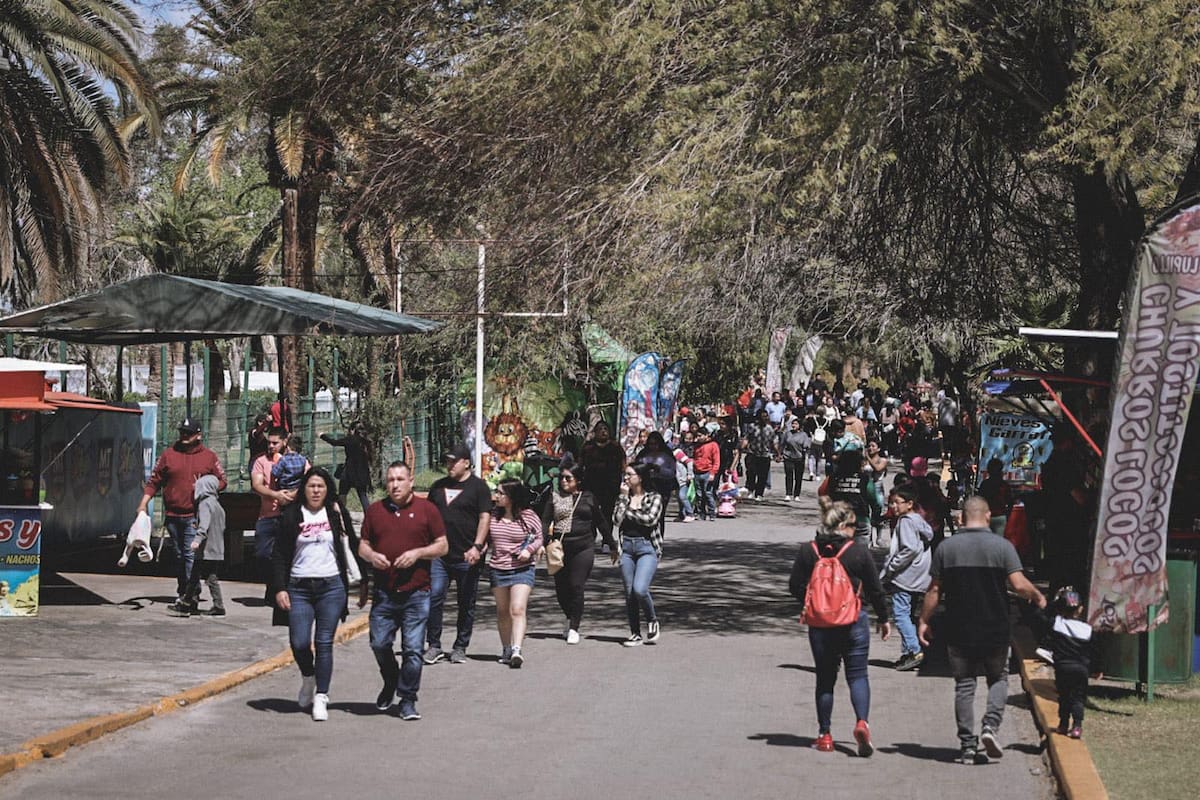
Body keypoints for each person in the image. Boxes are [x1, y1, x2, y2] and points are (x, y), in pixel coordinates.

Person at [918, 495, 1046, 765]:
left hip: (959, 629)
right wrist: (1037, 596)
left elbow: (935, 590)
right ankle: (990, 726)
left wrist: (924, 620)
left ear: (962, 518)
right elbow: (1019, 584)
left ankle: (967, 746)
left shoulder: (947, 548)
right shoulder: (1002, 547)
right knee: (997, 679)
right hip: (995, 627)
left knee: (964, 685)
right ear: (988, 516)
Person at [788, 500, 891, 756]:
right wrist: (884, 618)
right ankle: (861, 723)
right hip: (853, 620)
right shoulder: (857, 552)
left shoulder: (808, 551)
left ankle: (824, 735)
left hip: (820, 625)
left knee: (825, 679)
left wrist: (813, 603)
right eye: (854, 525)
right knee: (857, 675)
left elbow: (794, 585)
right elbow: (875, 589)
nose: (856, 530)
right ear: (843, 525)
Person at [359, 461, 449, 721]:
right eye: (390, 480)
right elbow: (362, 545)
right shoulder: (375, 511)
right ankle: (391, 680)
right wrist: (372, 556)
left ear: (411, 481)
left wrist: (418, 553)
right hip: (385, 593)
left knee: (412, 650)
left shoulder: (427, 510)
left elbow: (442, 546)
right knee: (379, 643)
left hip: (416, 593)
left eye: (399, 479)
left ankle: (408, 699)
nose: (395, 485)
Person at [271, 467, 359, 722]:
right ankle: (308, 678)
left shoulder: (335, 512)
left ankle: (322, 695)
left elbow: (351, 543)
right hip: (299, 587)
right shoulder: (291, 515)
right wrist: (280, 588)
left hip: (331, 587)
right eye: (311, 486)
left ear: (327, 489)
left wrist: (362, 583)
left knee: (323, 643)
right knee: (299, 642)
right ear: (304, 489)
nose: (316, 491)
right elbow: (278, 555)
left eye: (321, 486)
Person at [138, 418, 227, 611]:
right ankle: (183, 592)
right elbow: (154, 482)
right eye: (182, 432)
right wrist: (143, 504)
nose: (184, 436)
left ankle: (190, 597)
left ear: (198, 435)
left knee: (189, 555)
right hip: (172, 515)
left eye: (189, 433)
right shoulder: (169, 455)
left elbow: (222, 481)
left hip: (194, 517)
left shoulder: (209, 457)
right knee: (179, 556)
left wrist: (206, 490)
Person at [424, 443, 492, 665]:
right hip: (440, 556)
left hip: (467, 556)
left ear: (466, 462)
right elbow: (428, 516)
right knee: (434, 597)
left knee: (466, 602)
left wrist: (478, 546)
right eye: (448, 461)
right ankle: (433, 645)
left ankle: (460, 646)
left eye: (454, 461)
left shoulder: (479, 487)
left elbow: (484, 518)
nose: (450, 465)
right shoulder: (438, 487)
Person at [541, 464, 616, 644]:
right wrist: (541, 543)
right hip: (559, 549)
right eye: (562, 478)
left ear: (578, 481)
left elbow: (601, 522)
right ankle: (569, 616)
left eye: (568, 478)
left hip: (583, 547)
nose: (564, 481)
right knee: (561, 589)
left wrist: (612, 544)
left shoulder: (588, 498)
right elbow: (545, 522)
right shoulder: (555, 498)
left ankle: (574, 626)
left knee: (576, 585)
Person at [480, 478, 543, 667]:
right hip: (498, 568)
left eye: (501, 493)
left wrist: (529, 550)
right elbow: (485, 539)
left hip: (522, 569)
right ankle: (506, 647)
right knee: (502, 611)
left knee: (517, 609)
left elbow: (539, 537)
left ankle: (517, 649)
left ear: (512, 496)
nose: (496, 496)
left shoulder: (528, 515)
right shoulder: (493, 516)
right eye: (496, 492)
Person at [879, 485, 933, 671]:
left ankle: (914, 650)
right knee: (907, 615)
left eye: (896, 502)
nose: (893, 506)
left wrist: (891, 568)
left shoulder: (906, 522)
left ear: (910, 504)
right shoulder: (918, 520)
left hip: (906, 576)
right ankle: (908, 653)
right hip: (919, 576)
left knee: (900, 614)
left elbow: (909, 548)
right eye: (891, 502)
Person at [613, 462, 665, 646]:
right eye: (624, 475)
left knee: (640, 589)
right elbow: (616, 520)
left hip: (647, 548)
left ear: (640, 477)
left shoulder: (654, 497)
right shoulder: (623, 496)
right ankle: (635, 633)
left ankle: (652, 620)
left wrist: (628, 510)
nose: (625, 478)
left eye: (629, 474)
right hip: (626, 547)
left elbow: (649, 519)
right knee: (629, 593)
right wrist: (623, 499)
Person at [251, 428, 306, 590]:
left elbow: (309, 479)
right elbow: (257, 485)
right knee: (263, 553)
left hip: (290, 514)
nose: (271, 446)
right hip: (268, 515)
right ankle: (273, 584)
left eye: (275, 443)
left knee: (291, 553)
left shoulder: (297, 459)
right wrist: (276, 495)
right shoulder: (261, 461)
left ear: (284, 442)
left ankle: (284, 588)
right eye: (269, 443)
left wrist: (292, 495)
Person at [1044, 587, 1096, 739]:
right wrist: (1096, 668)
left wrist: (1054, 606)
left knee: (1064, 695)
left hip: (1062, 668)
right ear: (1080, 609)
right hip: (1081, 669)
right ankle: (1077, 726)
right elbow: (1095, 650)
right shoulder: (1087, 630)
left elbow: (1045, 616)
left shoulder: (1056, 624)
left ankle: (1063, 724)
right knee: (1078, 697)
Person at [176, 475, 227, 617]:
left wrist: (197, 539)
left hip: (206, 549)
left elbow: (204, 525)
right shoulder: (217, 504)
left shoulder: (205, 504)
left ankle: (215, 606)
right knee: (200, 576)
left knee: (205, 577)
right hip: (216, 547)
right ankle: (189, 602)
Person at [580, 421, 626, 525]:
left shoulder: (616, 447)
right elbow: (580, 464)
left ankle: (607, 539)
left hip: (610, 487)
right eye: (600, 429)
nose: (603, 432)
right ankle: (591, 537)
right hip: (591, 485)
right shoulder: (588, 447)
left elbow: (623, 464)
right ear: (595, 432)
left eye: (605, 429)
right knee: (591, 512)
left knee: (607, 513)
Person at [321, 421, 373, 512]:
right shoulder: (366, 442)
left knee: (342, 494)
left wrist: (322, 435)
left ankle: (341, 515)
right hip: (362, 473)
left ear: (352, 430)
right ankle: (369, 518)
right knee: (363, 496)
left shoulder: (350, 439)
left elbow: (334, 442)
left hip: (349, 473)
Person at [633, 431, 677, 534]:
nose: (653, 447)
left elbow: (672, 472)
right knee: (646, 512)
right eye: (651, 444)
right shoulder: (643, 454)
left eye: (655, 444)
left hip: (663, 486)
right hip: (646, 485)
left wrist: (659, 469)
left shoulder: (667, 455)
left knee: (659, 514)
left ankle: (659, 537)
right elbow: (636, 469)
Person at [743, 409, 778, 501]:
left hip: (765, 455)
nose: (765, 418)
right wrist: (742, 447)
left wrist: (777, 453)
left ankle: (759, 494)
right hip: (753, 453)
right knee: (751, 473)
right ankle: (751, 490)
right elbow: (747, 438)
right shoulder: (752, 427)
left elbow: (774, 442)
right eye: (763, 416)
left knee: (762, 476)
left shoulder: (769, 429)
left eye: (766, 416)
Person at [977, 458, 1013, 536]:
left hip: (986, 516)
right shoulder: (1004, 485)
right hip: (1000, 516)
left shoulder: (985, 484)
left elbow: (979, 501)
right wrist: (1007, 514)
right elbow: (1010, 501)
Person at [691, 427, 720, 521]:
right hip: (697, 472)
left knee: (708, 493)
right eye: (697, 436)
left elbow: (716, 460)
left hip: (707, 472)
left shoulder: (713, 445)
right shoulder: (697, 446)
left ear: (706, 435)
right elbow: (695, 457)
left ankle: (712, 513)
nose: (698, 438)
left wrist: (713, 473)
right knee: (699, 495)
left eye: (700, 436)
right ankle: (701, 513)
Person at [779, 416, 809, 501]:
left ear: (800, 425)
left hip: (799, 458)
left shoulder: (804, 435)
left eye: (796, 423)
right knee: (789, 475)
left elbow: (806, 446)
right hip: (788, 456)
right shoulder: (787, 433)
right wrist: (779, 454)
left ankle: (797, 495)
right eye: (793, 423)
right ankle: (788, 493)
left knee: (798, 477)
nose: (794, 425)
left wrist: (804, 449)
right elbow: (782, 444)